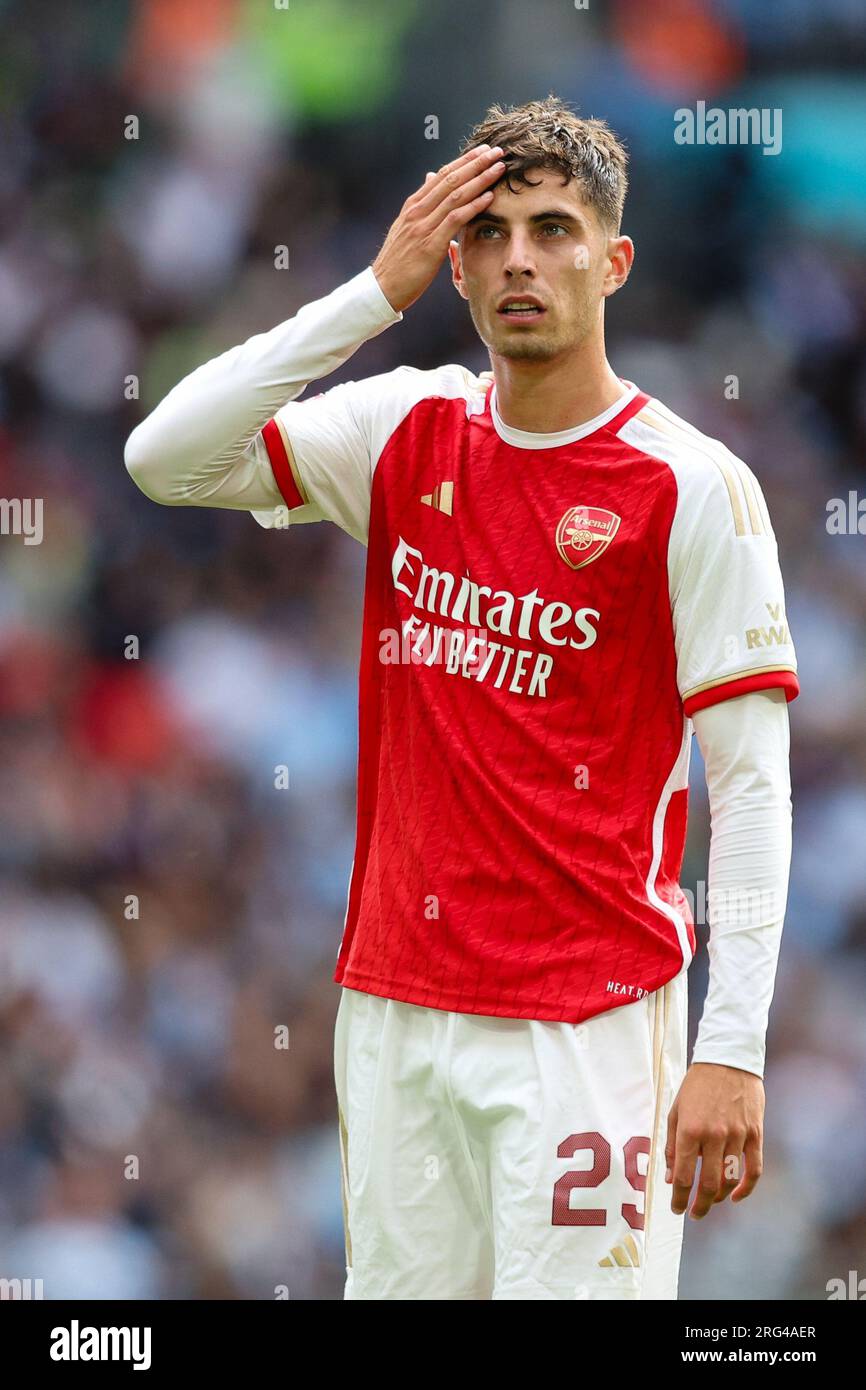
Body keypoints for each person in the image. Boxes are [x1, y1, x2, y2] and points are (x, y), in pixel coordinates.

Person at [124, 95, 797, 1301]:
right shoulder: (403, 426)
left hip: (586, 1022)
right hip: (392, 1010)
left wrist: (730, 1046)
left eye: (550, 228)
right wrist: (368, 296)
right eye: (486, 234)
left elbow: (749, 783)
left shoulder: (691, 486)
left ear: (613, 259)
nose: (518, 259)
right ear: (455, 260)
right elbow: (163, 457)